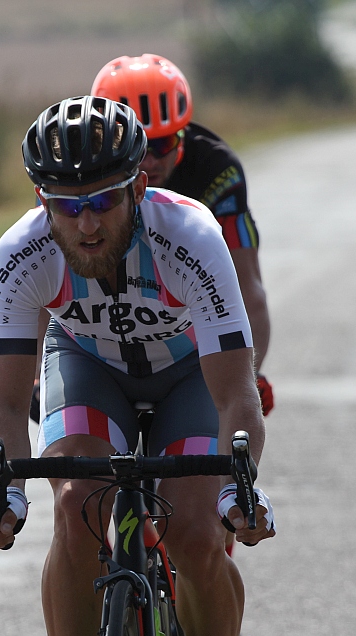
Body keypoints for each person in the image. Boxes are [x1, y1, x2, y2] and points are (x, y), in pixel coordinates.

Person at [0, 96, 275, 636]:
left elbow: (236, 393)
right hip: (88, 365)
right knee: (74, 506)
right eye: (68, 206)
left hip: (189, 374)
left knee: (196, 535)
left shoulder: (191, 236)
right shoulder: (20, 254)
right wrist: (4, 493)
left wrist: (237, 490)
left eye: (104, 201)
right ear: (42, 200)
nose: (86, 224)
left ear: (138, 188)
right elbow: (5, 401)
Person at [92, 53, 273, 417]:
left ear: (184, 133)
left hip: (192, 331)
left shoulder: (217, 169)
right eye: (138, 146)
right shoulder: (80, 170)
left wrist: (249, 376)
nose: (150, 161)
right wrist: (36, 379)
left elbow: (248, 290)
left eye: (164, 144)